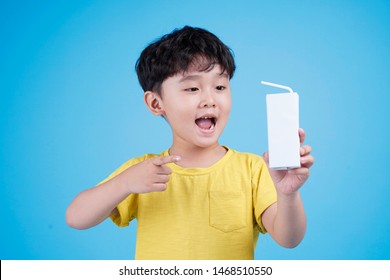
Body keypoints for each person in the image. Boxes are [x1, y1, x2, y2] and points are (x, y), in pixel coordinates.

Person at [66, 26, 314, 260]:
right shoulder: (144, 170)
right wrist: (125, 182)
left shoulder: (253, 169)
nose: (209, 99)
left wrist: (288, 195)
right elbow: (76, 217)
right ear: (156, 103)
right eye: (192, 89)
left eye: (219, 86)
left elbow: (289, 239)